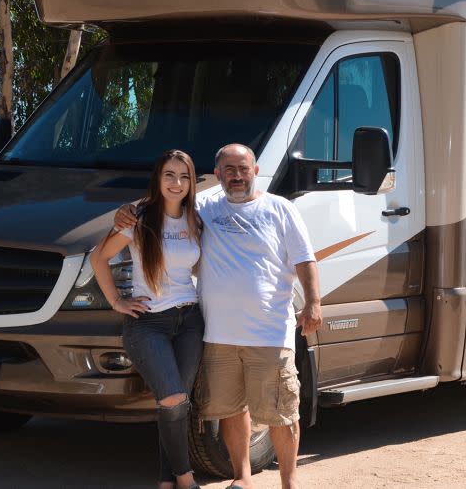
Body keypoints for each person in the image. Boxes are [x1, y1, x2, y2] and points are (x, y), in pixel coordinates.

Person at [116, 143, 322, 489]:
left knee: (280, 412)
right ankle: (242, 478)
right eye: (229, 169)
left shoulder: (280, 209)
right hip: (217, 333)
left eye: (243, 169)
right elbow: (164, 202)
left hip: (269, 332)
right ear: (218, 174)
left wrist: (313, 301)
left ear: (256, 171)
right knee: (230, 409)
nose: (237, 176)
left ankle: (290, 483)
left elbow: (305, 259)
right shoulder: (203, 208)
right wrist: (125, 210)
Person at [93, 149, 205, 489]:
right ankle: (186, 480)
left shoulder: (195, 220)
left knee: (175, 405)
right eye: (169, 175)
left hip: (189, 320)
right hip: (148, 323)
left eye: (184, 176)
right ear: (158, 178)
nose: (177, 183)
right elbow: (99, 258)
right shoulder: (138, 218)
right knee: (172, 398)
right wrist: (117, 301)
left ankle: (164, 481)